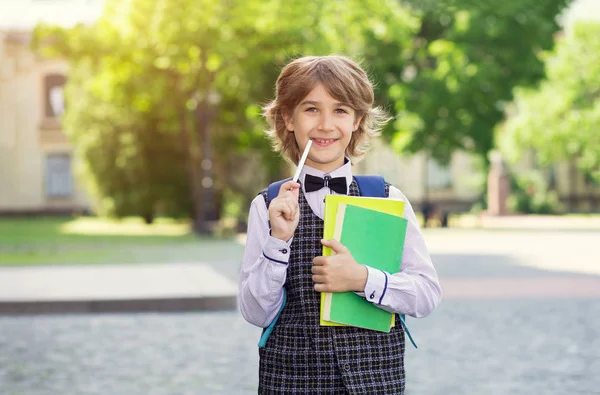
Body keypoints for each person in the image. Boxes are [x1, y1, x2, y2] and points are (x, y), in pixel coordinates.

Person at [238, 55, 442, 394]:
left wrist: (363, 279)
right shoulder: (267, 205)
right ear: (288, 118)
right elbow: (255, 313)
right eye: (311, 109)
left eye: (340, 110)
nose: (326, 125)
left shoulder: (388, 199)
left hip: (376, 381)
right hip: (291, 381)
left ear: (356, 120)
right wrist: (278, 241)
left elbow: (426, 295)